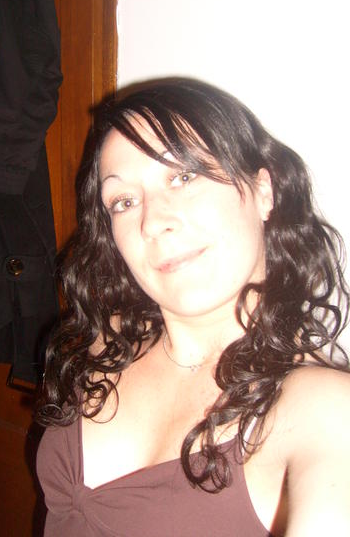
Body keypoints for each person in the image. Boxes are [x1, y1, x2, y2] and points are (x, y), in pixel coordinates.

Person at [36, 77, 350, 536]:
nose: (152, 221)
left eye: (183, 176)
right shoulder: (106, 345)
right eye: (124, 201)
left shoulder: (323, 407)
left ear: (263, 190)